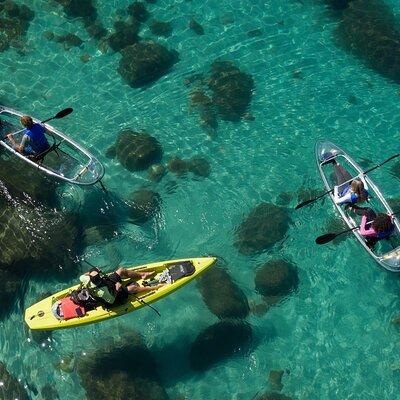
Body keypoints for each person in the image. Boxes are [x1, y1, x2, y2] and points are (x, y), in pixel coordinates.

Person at [79, 266, 165, 306]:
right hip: (114, 294)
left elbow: (82, 276)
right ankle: (155, 287)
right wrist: (117, 288)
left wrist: (93, 271)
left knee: (121, 270)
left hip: (106, 282)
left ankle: (143, 275)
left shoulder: (86, 278)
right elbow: (111, 300)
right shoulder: (103, 292)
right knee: (132, 288)